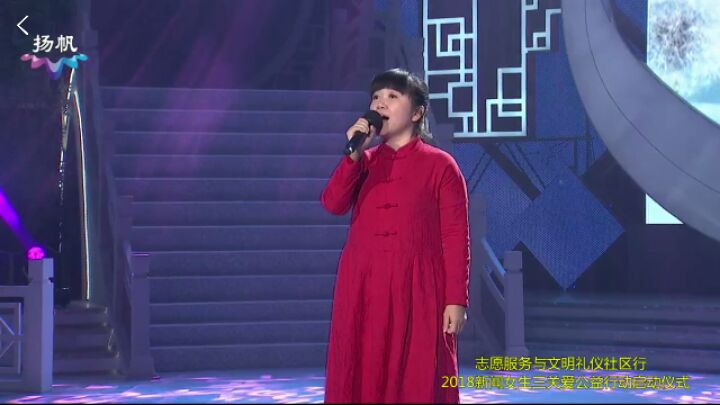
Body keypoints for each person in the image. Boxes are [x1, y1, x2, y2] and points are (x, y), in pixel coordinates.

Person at [321, 68, 471, 404]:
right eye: (376, 97)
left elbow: (456, 235)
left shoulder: (441, 166)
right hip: (363, 282)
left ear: (417, 112)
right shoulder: (363, 161)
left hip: (418, 284)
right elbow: (332, 204)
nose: (380, 104)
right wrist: (352, 157)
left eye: (392, 96)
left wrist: (456, 299)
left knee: (418, 370)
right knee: (361, 364)